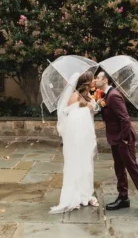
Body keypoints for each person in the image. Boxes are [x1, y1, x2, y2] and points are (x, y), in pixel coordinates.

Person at [95, 71, 138, 220]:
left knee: (133, 168)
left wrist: (125, 139)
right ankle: (123, 198)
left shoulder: (113, 96)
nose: (95, 80)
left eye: (98, 78)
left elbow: (125, 119)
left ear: (105, 80)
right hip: (114, 138)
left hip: (123, 138)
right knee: (119, 168)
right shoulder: (105, 95)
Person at [50, 71, 99, 214]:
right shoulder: (74, 96)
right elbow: (71, 118)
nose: (94, 81)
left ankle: (86, 194)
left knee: (87, 165)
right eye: (92, 79)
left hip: (86, 137)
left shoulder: (88, 96)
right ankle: (74, 197)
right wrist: (87, 108)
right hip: (75, 138)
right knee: (75, 164)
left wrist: (92, 105)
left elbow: (90, 113)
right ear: (86, 83)